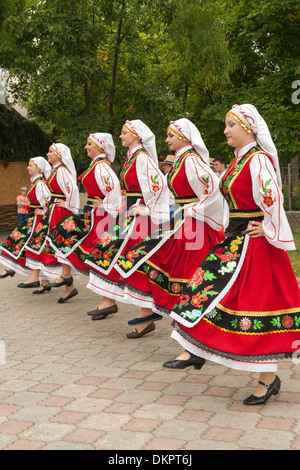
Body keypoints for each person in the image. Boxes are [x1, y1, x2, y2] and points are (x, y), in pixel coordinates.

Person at [167, 104, 300, 405]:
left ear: (249, 128)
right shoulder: (238, 162)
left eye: (231, 125)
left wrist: (269, 226)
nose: (225, 130)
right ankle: (197, 351)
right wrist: (191, 210)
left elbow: (272, 193)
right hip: (234, 241)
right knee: (201, 291)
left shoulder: (257, 159)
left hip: (254, 245)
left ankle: (267, 379)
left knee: (255, 308)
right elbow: (216, 196)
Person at [116, 118, 224, 339]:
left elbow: (214, 186)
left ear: (184, 137)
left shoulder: (191, 160)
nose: (166, 140)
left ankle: (195, 329)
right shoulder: (182, 160)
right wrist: (147, 208)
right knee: (158, 261)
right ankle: (157, 313)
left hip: (197, 226)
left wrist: (196, 208)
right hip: (185, 223)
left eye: (171, 135)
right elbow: (161, 190)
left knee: (190, 275)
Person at [84, 120, 170, 321]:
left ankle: (147, 311)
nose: (121, 136)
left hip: (139, 217)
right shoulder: (133, 157)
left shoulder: (142, 157)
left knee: (135, 259)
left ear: (136, 135)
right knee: (108, 251)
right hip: (129, 213)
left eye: (124, 133)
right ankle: (110, 301)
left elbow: (158, 185)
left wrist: (147, 208)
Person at [46, 133, 122, 291]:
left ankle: (107, 290)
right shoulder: (96, 164)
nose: (86, 147)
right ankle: (67, 276)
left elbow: (114, 186)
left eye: (89, 144)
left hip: (100, 215)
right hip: (91, 212)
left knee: (97, 251)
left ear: (100, 147)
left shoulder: (101, 165)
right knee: (62, 235)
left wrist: (106, 203)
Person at [24, 143, 80, 301]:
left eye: (50, 152)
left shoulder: (61, 170)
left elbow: (73, 189)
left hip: (62, 212)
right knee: (57, 243)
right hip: (55, 210)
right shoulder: (56, 171)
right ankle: (69, 285)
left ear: (59, 155)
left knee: (62, 242)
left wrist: (68, 204)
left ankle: (66, 277)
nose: (47, 154)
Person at [0, 157, 51, 280]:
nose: (28, 167)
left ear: (38, 168)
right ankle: (43, 282)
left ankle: (10, 268)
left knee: (25, 241)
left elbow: (49, 200)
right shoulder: (34, 183)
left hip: (37, 219)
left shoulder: (40, 184)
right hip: (32, 218)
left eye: (30, 165)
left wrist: (44, 211)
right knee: (19, 239)